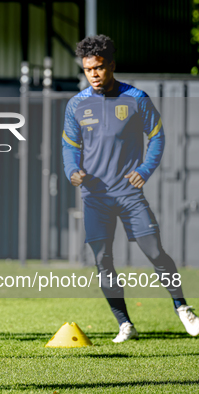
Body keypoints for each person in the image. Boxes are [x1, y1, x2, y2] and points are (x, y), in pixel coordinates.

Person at [62, 34, 199, 343]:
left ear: (111, 65)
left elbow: (158, 137)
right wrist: (72, 170)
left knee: (155, 253)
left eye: (98, 68)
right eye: (87, 70)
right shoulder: (77, 105)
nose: (93, 75)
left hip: (129, 195)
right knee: (102, 260)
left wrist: (144, 170)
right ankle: (125, 324)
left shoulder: (136, 98)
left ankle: (182, 307)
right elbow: (69, 145)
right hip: (95, 197)